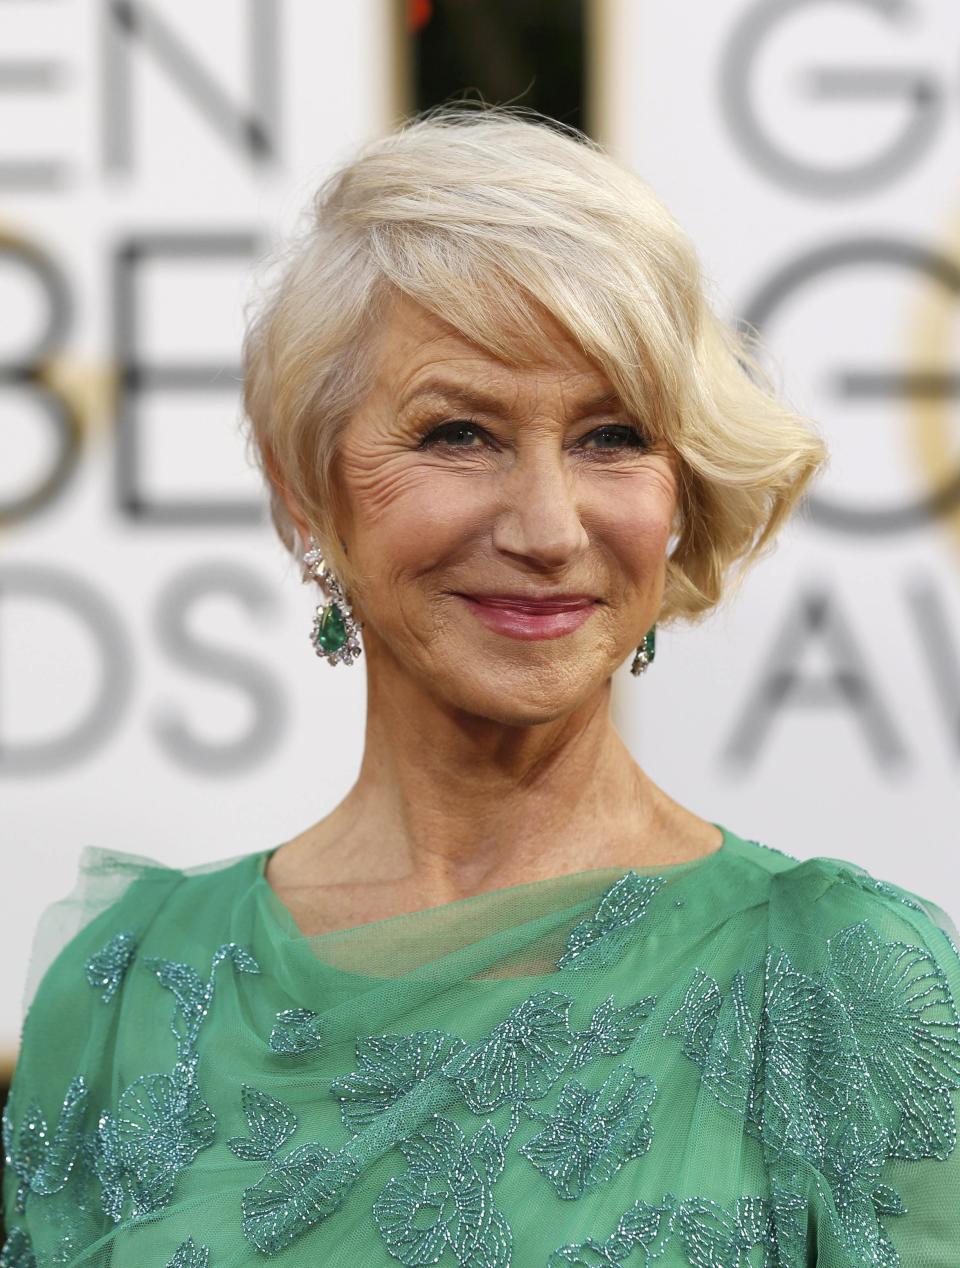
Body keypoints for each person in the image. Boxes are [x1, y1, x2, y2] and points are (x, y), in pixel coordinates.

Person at [3, 107, 958, 1268]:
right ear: (308, 487)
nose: (550, 528)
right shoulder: (129, 993)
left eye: (613, 436)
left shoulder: (841, 982)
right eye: (459, 432)